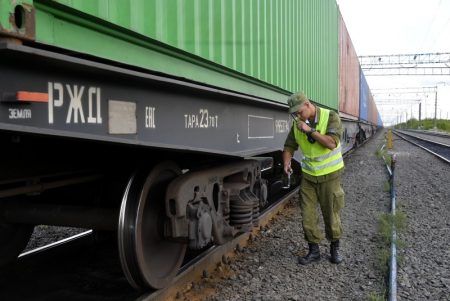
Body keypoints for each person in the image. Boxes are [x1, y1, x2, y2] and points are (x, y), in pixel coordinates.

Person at [283, 91, 345, 265]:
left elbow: (332, 143)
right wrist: (287, 162)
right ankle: (314, 251)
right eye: (294, 114)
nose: (297, 116)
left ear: (308, 104)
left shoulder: (331, 117)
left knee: (331, 213)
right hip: (309, 176)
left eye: (299, 112)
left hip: (330, 175)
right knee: (307, 214)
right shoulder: (297, 124)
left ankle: (334, 249)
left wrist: (310, 131)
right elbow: (289, 146)